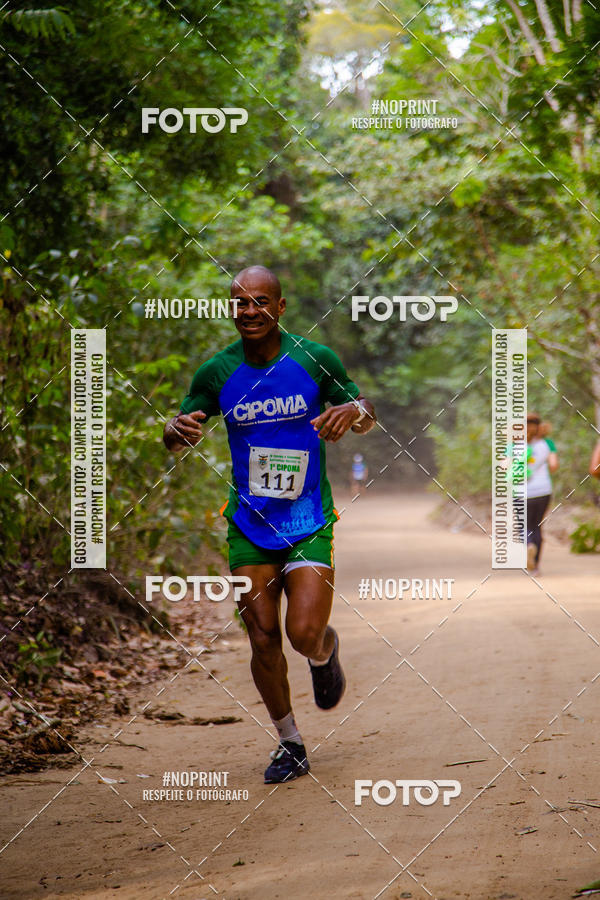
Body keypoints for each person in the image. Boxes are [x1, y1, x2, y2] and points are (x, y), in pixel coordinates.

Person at [162, 265, 376, 784]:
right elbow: (179, 428)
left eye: (260, 301)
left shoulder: (313, 358)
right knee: (262, 637)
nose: (250, 311)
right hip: (250, 525)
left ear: (279, 308)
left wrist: (353, 412)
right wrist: (174, 431)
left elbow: (365, 408)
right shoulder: (217, 372)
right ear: (231, 309)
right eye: (240, 302)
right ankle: (290, 742)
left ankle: (324, 653)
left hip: (307, 520)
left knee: (302, 633)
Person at [526, 413, 555, 575]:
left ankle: (528, 544)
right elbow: (554, 465)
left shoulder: (515, 445)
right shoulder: (547, 444)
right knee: (537, 526)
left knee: (524, 525)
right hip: (544, 490)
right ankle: (535, 566)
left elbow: (504, 467)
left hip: (522, 491)